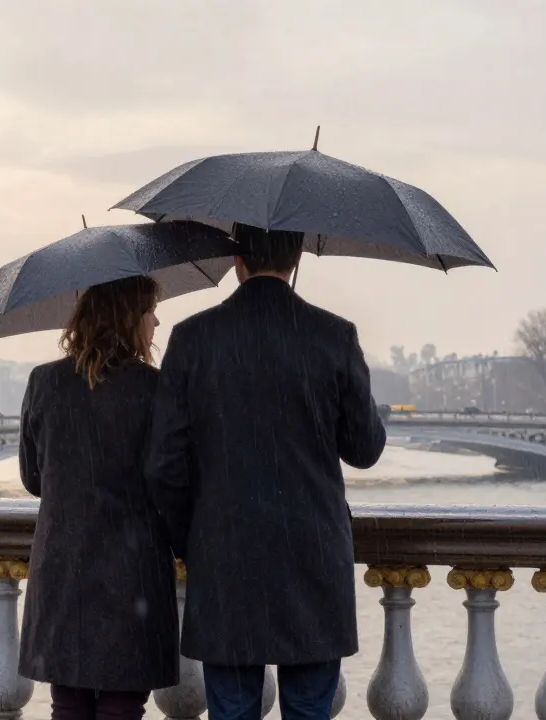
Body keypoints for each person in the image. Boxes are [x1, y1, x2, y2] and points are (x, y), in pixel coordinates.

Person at [145, 225, 386, 720]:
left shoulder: (192, 338)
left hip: (225, 557)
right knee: (309, 710)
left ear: (237, 260)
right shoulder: (334, 335)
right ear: (296, 257)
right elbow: (365, 450)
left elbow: (164, 466)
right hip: (313, 559)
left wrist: (193, 538)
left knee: (231, 711)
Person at [19, 275, 179, 720]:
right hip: (132, 575)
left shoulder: (44, 383)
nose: (156, 321)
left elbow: (34, 479)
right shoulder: (155, 388)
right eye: (149, 311)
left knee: (67, 703)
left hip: (62, 566)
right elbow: (170, 483)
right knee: (123, 703)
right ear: (129, 318)